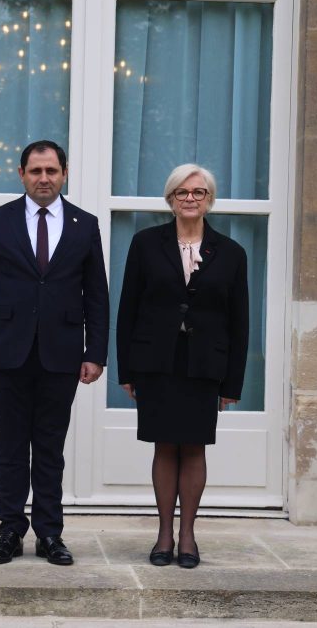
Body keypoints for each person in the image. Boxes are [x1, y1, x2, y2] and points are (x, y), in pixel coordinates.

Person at [0, 140, 109, 566]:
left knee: (49, 447)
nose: (44, 178)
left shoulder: (85, 224)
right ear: (21, 174)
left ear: (64, 174)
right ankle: (10, 531)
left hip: (61, 354)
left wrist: (95, 352)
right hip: (5, 351)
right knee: (10, 446)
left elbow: (96, 294)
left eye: (52, 171)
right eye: (36, 171)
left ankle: (49, 533)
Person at [116, 164, 249, 569]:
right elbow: (128, 309)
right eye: (182, 192)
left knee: (193, 447)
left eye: (198, 192)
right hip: (156, 361)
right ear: (170, 199)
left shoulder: (231, 252)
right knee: (163, 445)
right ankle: (164, 534)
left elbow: (240, 321)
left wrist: (233, 382)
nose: (190, 198)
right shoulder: (145, 244)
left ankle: (188, 534)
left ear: (209, 200)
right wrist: (126, 371)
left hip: (204, 363)